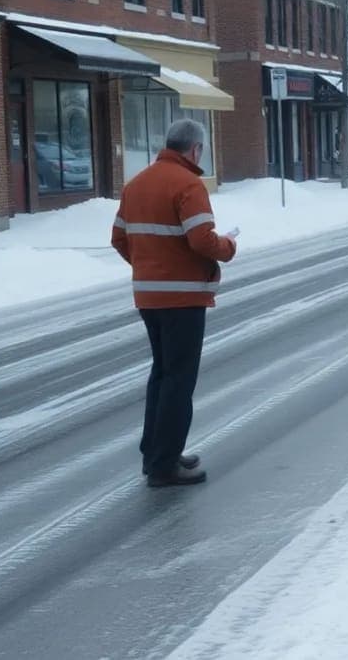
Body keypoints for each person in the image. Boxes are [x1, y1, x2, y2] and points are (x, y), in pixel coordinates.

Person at [112, 119, 237, 487]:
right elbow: (201, 239)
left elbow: (119, 238)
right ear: (195, 149)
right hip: (182, 296)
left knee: (162, 374)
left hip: (148, 296)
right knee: (179, 379)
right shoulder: (188, 184)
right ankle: (164, 465)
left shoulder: (136, 184)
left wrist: (149, 265)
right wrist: (227, 247)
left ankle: (156, 451)